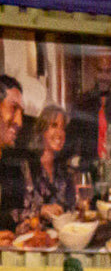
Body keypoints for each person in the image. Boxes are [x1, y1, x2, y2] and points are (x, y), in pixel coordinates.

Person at [23, 105, 76, 219]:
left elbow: (71, 208)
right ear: (42, 130)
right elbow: (12, 213)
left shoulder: (64, 169)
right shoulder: (27, 165)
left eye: (63, 128)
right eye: (54, 126)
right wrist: (40, 210)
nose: (60, 133)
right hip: (34, 235)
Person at [0, 74, 27, 234]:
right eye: (13, 108)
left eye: (21, 112)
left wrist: (16, 229)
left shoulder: (7, 164)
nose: (20, 122)